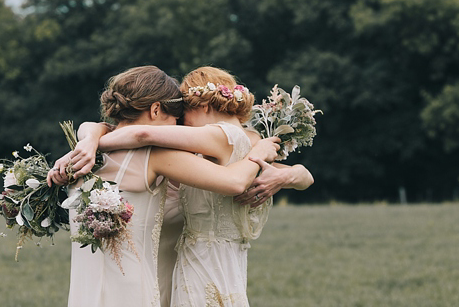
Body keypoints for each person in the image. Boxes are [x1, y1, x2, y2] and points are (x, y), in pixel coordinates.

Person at [53, 66, 313, 307]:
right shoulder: (161, 156)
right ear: (156, 110)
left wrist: (89, 141)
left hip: (86, 291)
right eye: (175, 116)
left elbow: (124, 131)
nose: (178, 125)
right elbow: (235, 180)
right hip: (164, 279)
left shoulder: (79, 164)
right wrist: (260, 152)